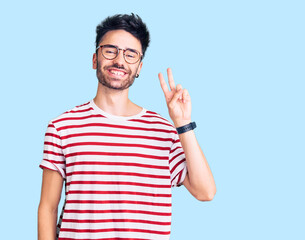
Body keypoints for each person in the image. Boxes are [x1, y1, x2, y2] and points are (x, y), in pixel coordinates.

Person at [37, 13, 216, 240]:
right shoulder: (63, 127)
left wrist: (181, 124)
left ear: (139, 67)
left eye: (130, 54)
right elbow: (48, 208)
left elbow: (206, 192)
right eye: (110, 50)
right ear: (95, 59)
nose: (119, 60)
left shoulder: (164, 131)